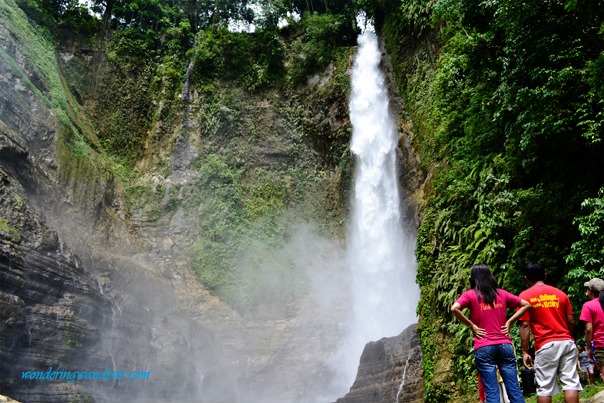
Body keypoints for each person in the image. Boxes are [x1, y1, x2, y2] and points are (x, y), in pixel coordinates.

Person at [451, 264, 530, 403]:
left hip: (484, 346)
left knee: (492, 392)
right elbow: (526, 304)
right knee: (514, 389)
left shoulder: (470, 295)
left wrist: (472, 326)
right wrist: (510, 322)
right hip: (505, 345)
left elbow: (454, 308)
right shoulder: (502, 293)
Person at [519, 262, 582, 403]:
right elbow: (571, 320)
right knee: (571, 383)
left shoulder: (525, 296)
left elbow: (524, 325)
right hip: (567, 341)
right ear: (545, 276)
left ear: (526, 278)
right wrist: (567, 335)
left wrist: (525, 351)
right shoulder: (560, 294)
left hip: (545, 344)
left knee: (544, 388)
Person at [579, 277, 604, 382]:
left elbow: (589, 329)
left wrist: (589, 348)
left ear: (590, 291)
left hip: (601, 343)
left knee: (603, 372)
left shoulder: (589, 306)